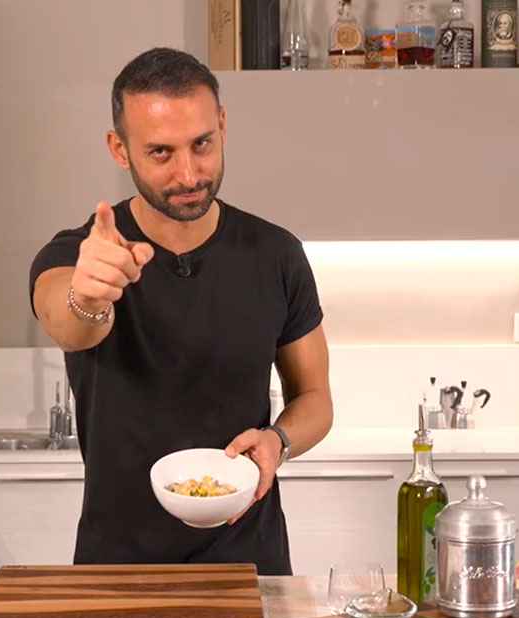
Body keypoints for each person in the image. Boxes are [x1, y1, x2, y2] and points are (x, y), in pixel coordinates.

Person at [28, 47, 332, 575]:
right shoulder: (78, 255)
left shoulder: (276, 253)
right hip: (117, 567)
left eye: (202, 144)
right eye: (161, 153)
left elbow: (315, 398)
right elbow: (68, 321)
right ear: (119, 150)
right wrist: (91, 294)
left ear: (223, 125)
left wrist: (278, 441)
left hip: (250, 564)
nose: (189, 174)